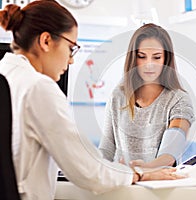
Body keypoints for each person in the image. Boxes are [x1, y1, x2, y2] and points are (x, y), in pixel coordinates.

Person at [0, 1, 182, 200]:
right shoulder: (38, 87)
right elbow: (89, 171)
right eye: (71, 48)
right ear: (46, 41)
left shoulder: (6, 74)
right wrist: (140, 174)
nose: (71, 60)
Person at [99, 23, 195, 168]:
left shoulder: (180, 100)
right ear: (133, 58)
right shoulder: (118, 96)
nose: (149, 64)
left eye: (156, 57)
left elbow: (169, 155)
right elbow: (106, 149)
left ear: (166, 59)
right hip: (122, 183)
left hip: (158, 184)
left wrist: (143, 169)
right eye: (142, 57)